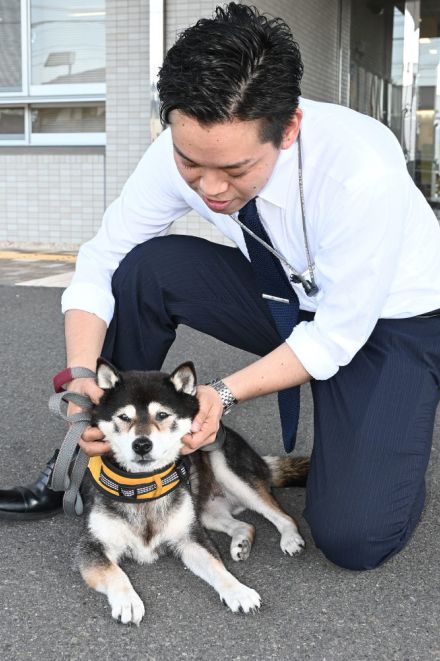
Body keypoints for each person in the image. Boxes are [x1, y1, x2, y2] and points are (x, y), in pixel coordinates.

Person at [1, 2, 439, 571]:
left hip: (391, 319)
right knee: (146, 267)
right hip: (287, 294)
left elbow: (334, 338)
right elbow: (101, 260)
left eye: (235, 171)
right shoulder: (184, 148)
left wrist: (221, 395)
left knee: (355, 537)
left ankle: (387, 457)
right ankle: (92, 461)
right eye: (190, 162)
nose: (210, 189)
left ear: (289, 129)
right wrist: (84, 376)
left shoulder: (361, 167)